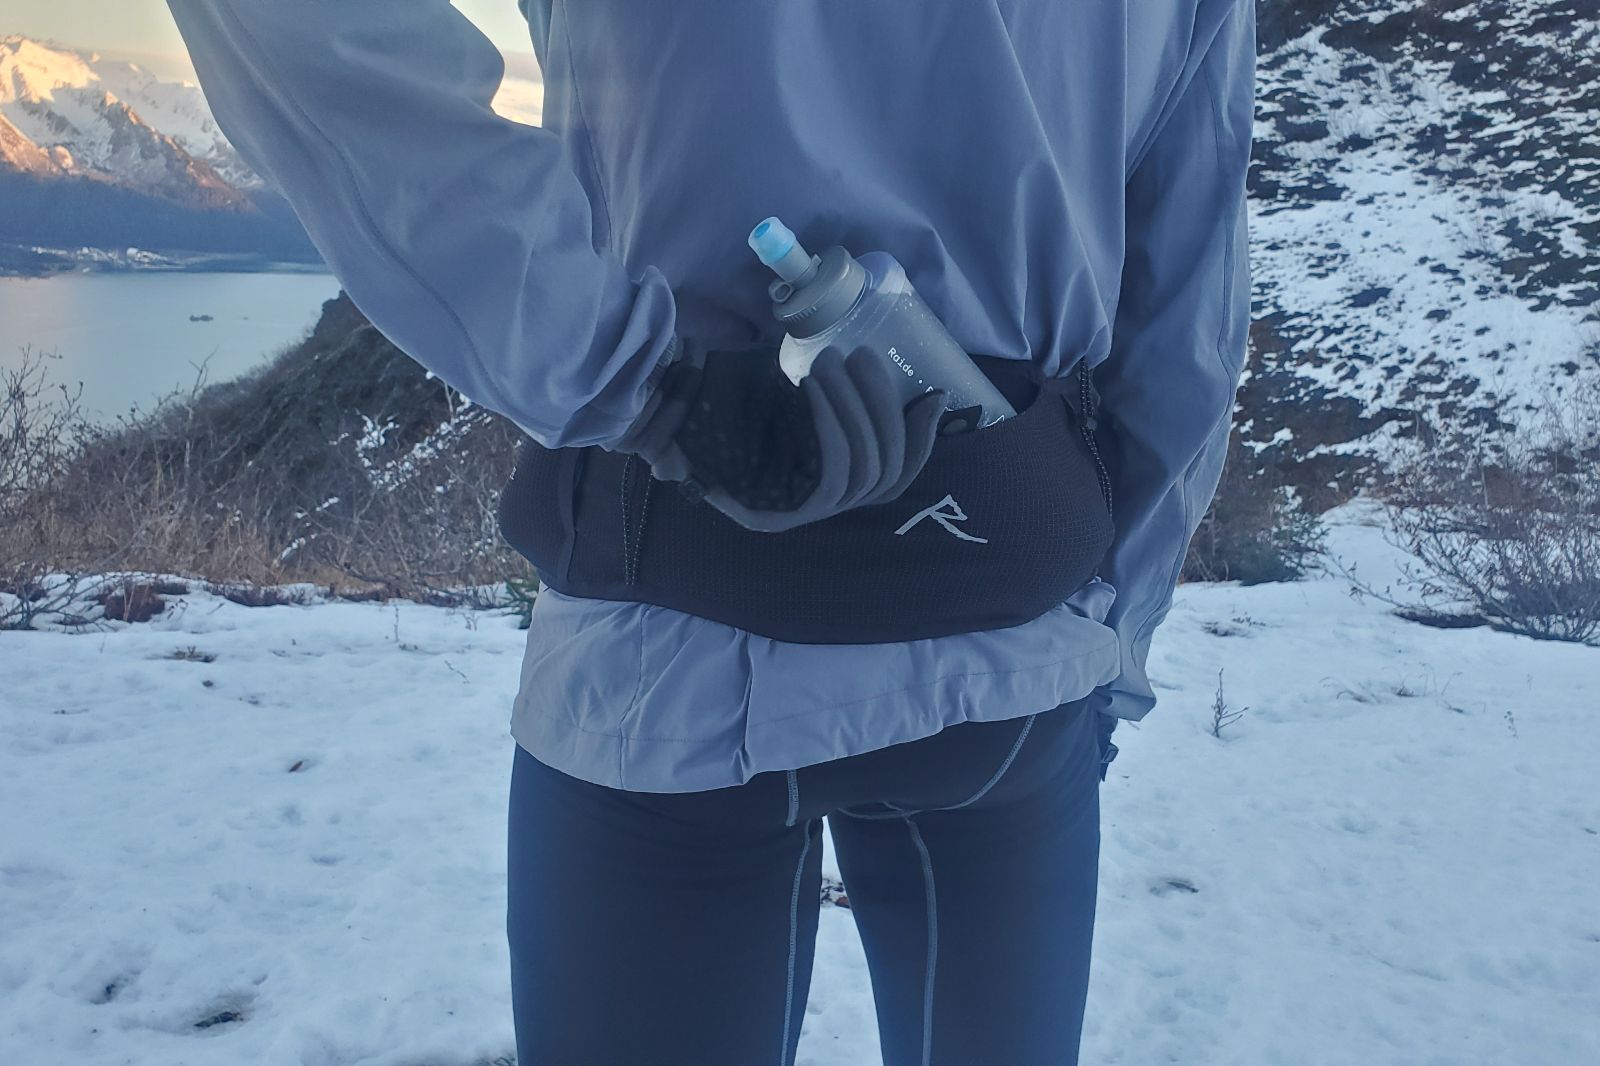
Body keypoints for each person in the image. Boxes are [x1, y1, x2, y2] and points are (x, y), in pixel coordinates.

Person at [165, 1, 1255, 1062]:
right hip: (1018, 655)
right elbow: (1185, 315)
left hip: (665, 652)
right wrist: (1116, 639)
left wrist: (640, 386)